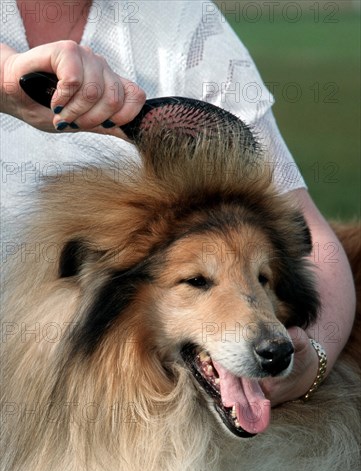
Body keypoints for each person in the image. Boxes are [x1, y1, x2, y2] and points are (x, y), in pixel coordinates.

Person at [0, 0, 356, 408]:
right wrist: (8, 78)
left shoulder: (181, 16)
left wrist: (315, 360)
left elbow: (307, 230)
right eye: (198, 280)